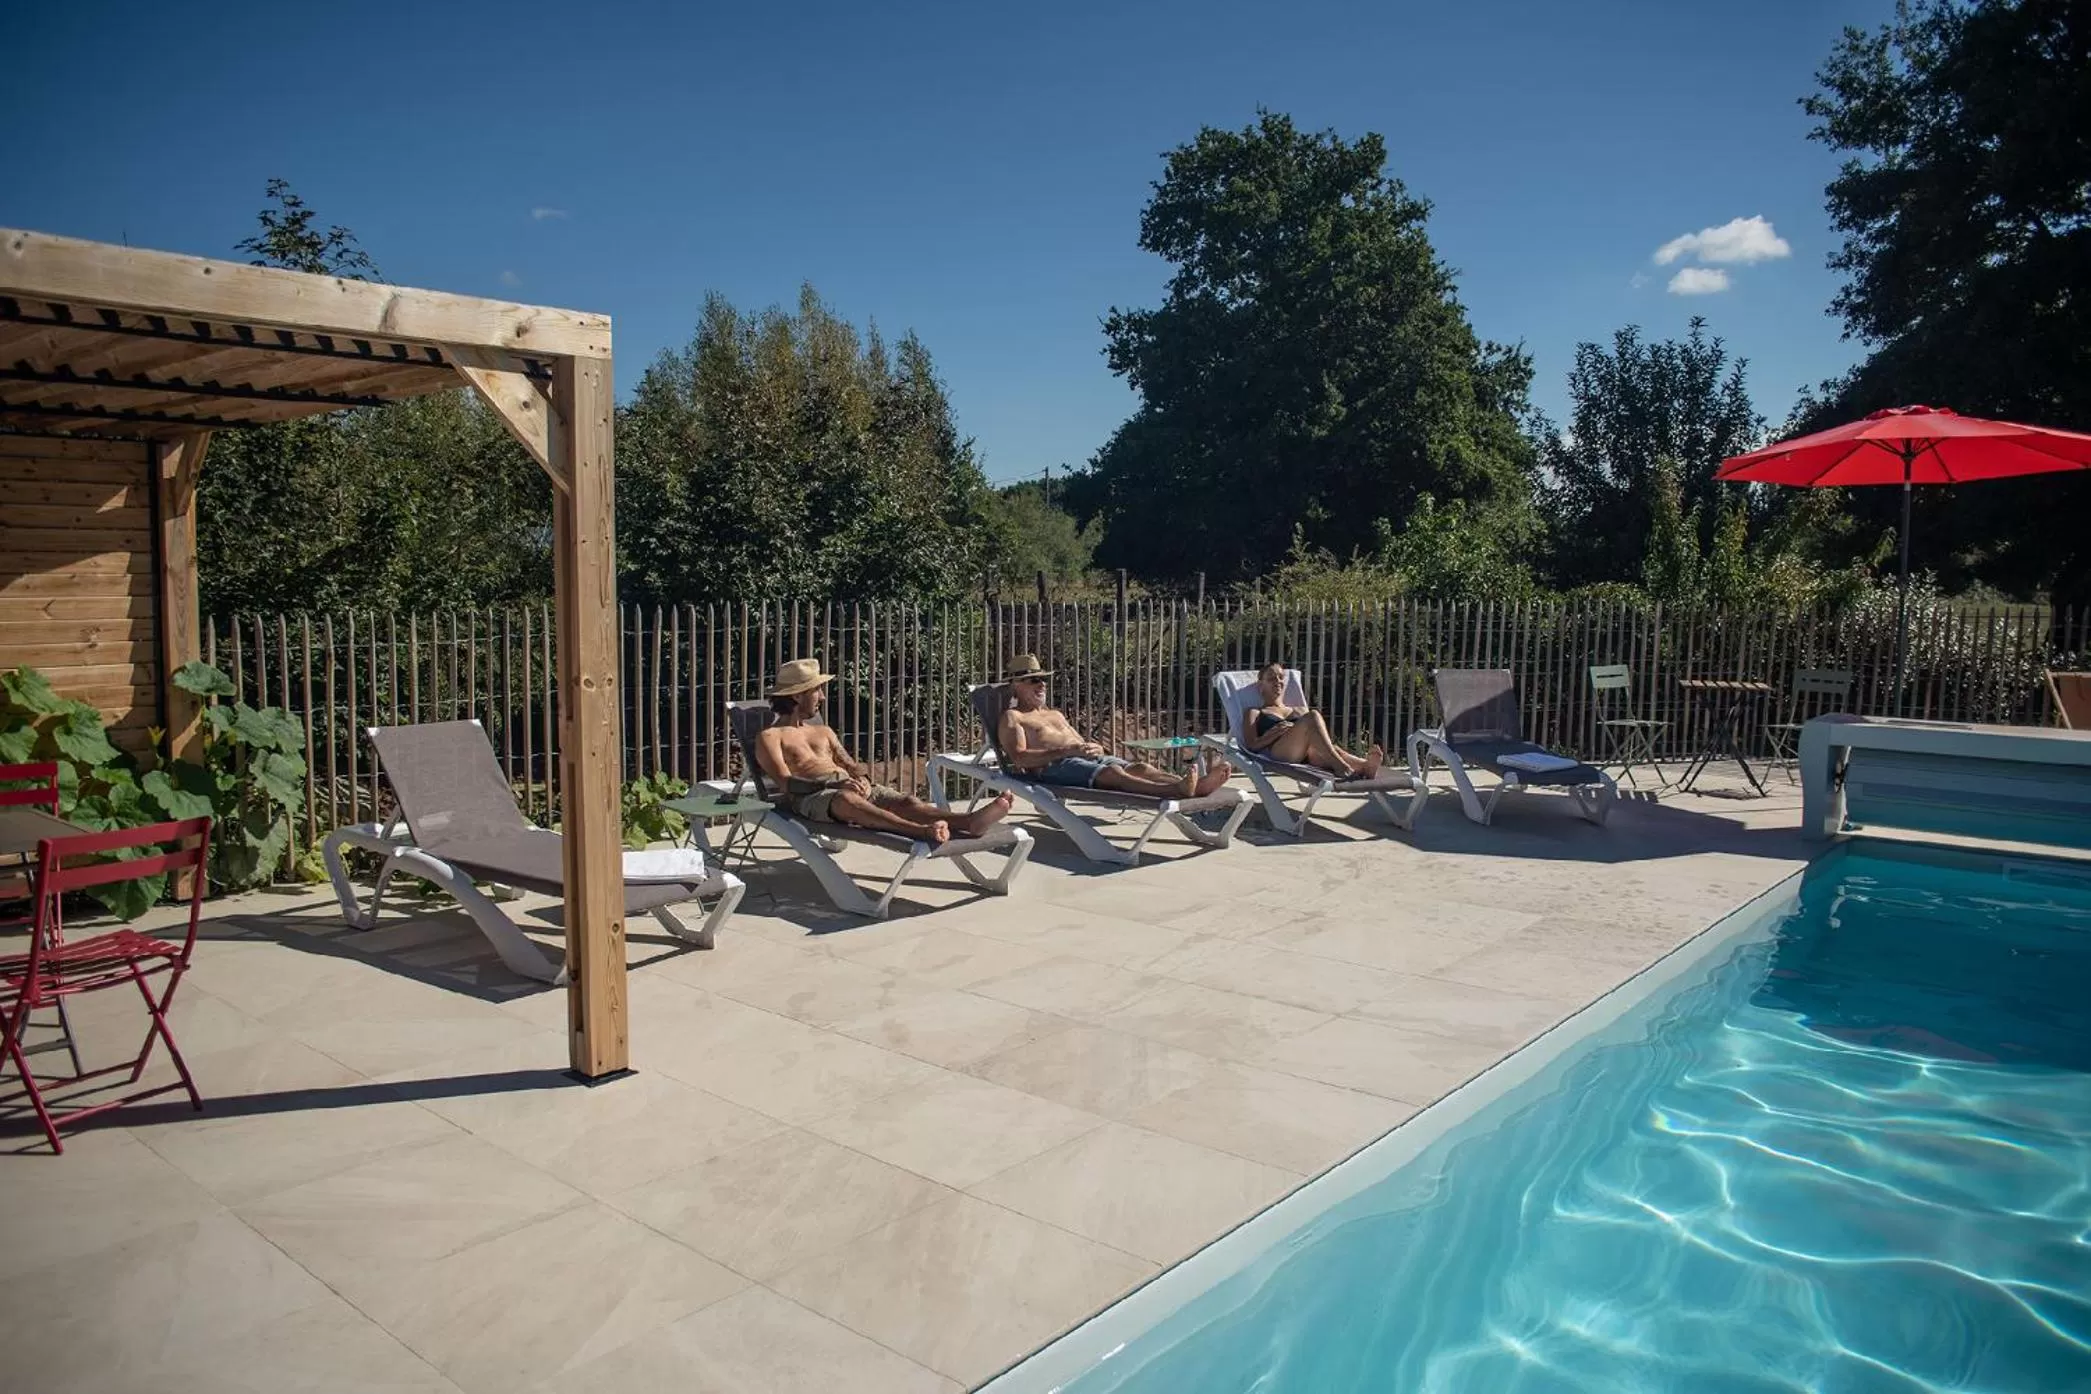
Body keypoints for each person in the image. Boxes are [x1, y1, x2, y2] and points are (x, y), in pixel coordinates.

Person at [756, 658, 1012, 845]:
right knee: (848, 801)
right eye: (816, 690)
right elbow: (786, 784)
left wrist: (862, 779)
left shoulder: (823, 731)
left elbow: (850, 764)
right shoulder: (770, 737)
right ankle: (920, 832)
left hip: (848, 787)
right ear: (799, 696)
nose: (822, 697)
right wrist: (837, 785)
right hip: (813, 798)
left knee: (906, 801)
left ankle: (969, 822)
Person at [996, 655, 1234, 797]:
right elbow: (1020, 758)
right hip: (1054, 769)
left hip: (1085, 760)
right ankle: (1174, 791)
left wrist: (1093, 748)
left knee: (1140, 767)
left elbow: (1079, 742)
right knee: (1113, 774)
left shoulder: (1055, 714)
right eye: (1034, 680)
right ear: (1016, 685)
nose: (1042, 685)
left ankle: (1194, 785)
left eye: (1043, 679)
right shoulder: (1013, 717)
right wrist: (1067, 751)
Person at [1241, 661, 1384, 779]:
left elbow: (1320, 739)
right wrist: (1274, 733)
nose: (1278, 681)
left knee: (1331, 749)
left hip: (1308, 755)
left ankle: (1365, 767)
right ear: (1260, 686)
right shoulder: (1255, 712)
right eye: (1271, 678)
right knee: (1313, 716)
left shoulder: (1299, 710)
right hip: (1280, 752)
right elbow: (1251, 746)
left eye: (1280, 677)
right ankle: (1341, 767)